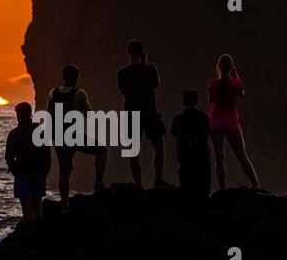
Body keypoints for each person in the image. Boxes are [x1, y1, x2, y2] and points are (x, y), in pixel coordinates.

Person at [47, 65, 107, 212]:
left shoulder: (52, 93)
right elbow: (89, 114)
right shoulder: (80, 93)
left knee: (64, 171)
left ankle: (65, 204)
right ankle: (98, 184)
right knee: (102, 151)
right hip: (75, 135)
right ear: (76, 77)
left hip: (59, 137)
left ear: (63, 77)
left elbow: (49, 114)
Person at [117, 39, 173, 190]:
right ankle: (158, 179)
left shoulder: (122, 72)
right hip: (149, 113)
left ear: (128, 54)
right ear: (142, 53)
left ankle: (139, 185)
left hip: (131, 114)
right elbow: (156, 84)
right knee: (159, 146)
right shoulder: (150, 69)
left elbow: (123, 91)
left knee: (134, 151)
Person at [207, 54, 266, 192]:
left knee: (219, 157)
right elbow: (241, 94)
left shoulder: (212, 83)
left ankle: (222, 189)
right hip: (231, 121)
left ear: (219, 66)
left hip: (216, 120)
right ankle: (256, 185)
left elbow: (210, 100)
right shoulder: (237, 83)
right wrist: (236, 76)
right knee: (242, 155)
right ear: (231, 67)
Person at [6, 102, 51, 224]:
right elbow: (47, 157)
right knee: (38, 209)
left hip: (22, 174)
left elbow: (9, 157)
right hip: (37, 173)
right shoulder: (40, 131)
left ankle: (29, 235)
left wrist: (16, 172)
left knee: (26, 210)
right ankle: (38, 235)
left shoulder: (14, 133)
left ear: (18, 115)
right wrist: (44, 174)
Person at [171, 91, 211, 199]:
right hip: (201, 156)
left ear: (184, 103)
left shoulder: (178, 119)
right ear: (197, 102)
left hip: (185, 157)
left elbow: (173, 132)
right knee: (203, 186)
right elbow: (207, 132)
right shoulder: (203, 118)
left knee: (186, 187)